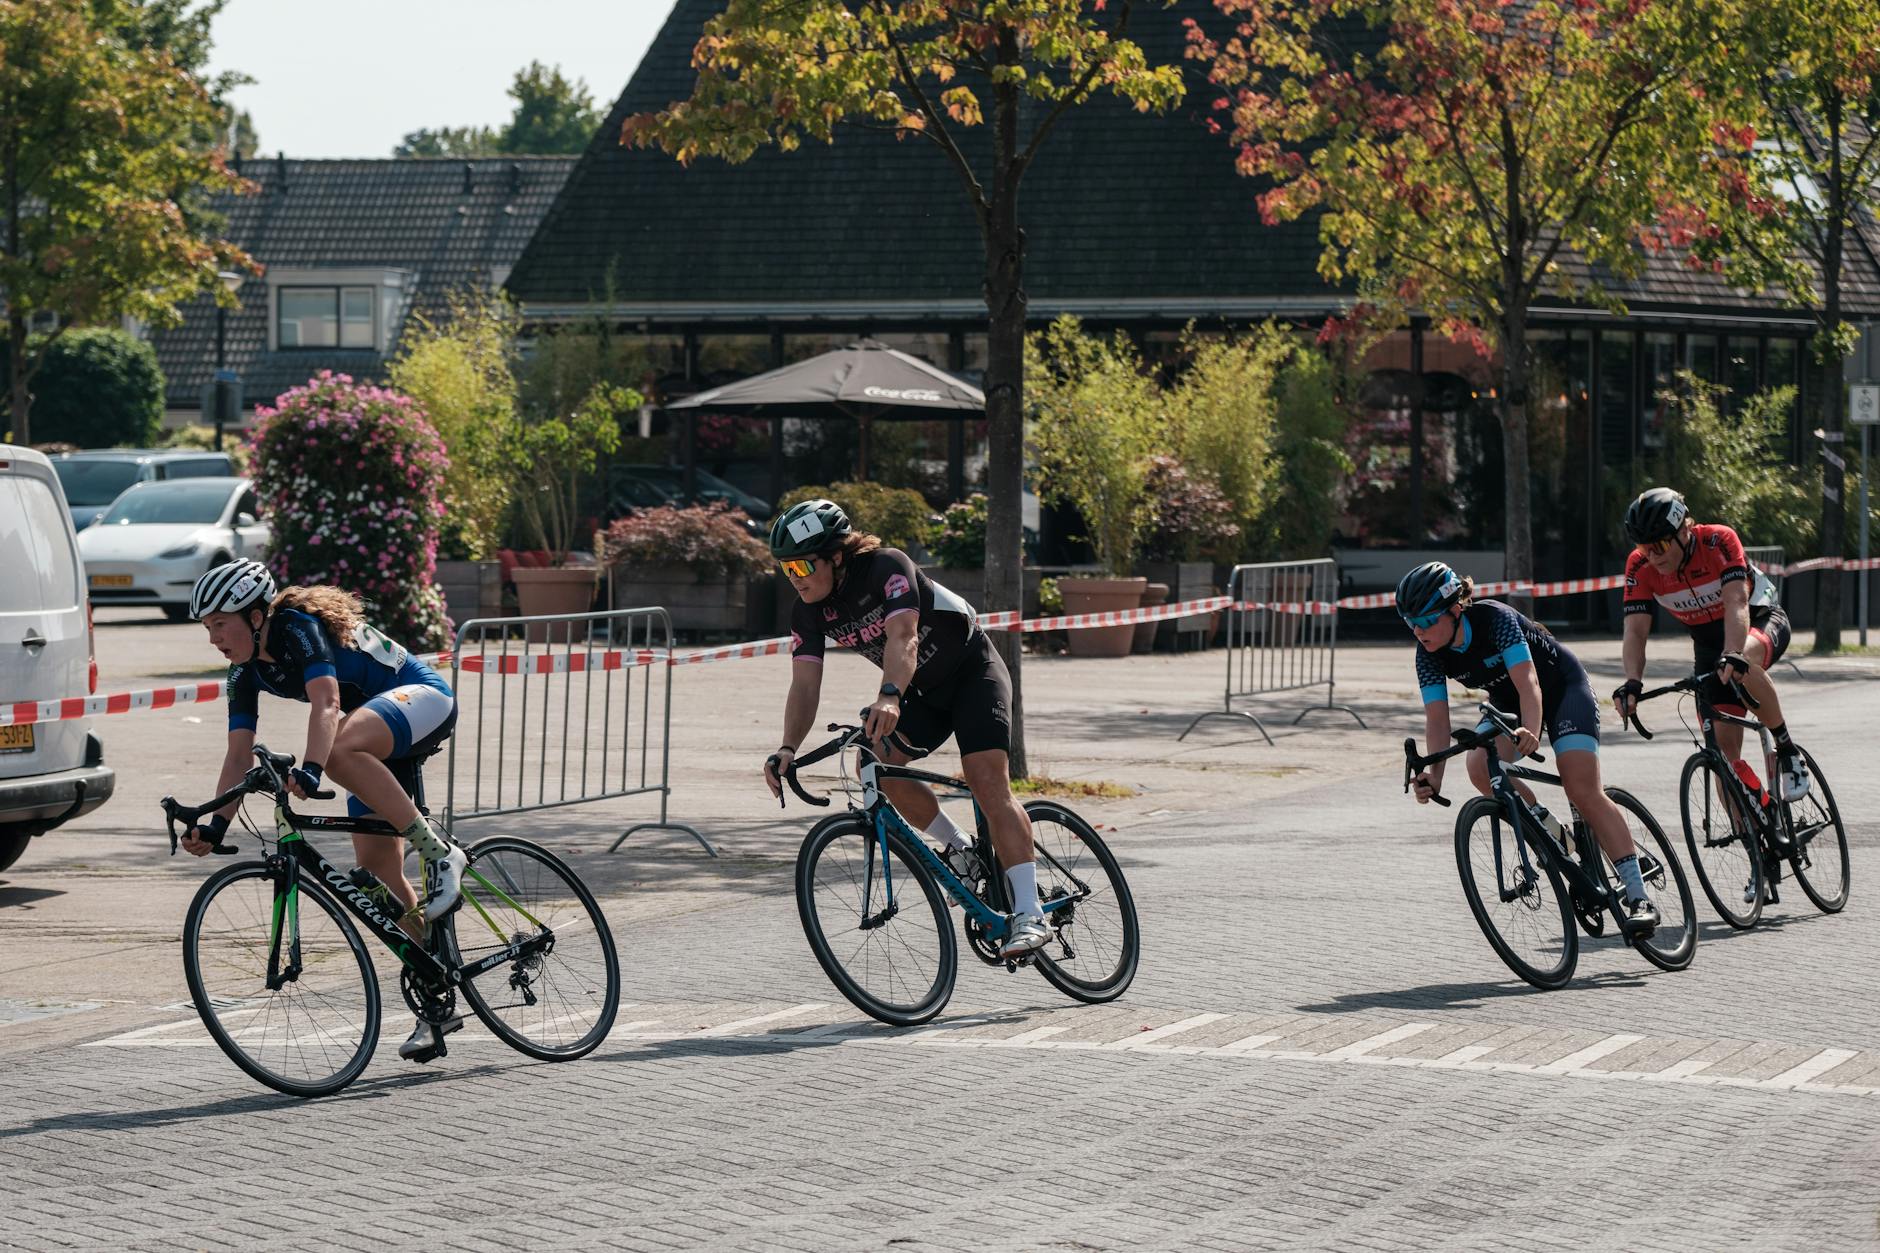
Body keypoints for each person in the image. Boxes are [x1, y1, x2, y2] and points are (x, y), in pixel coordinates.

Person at [179, 559, 468, 1062]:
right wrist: (214, 824)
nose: (213, 638)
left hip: (421, 699)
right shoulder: (242, 673)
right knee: (382, 881)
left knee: (338, 753)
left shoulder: (296, 628)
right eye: (207, 628)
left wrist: (313, 767)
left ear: (253, 615)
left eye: (219, 624)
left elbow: (327, 703)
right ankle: (436, 991)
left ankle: (439, 853)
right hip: (372, 738)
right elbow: (236, 754)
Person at [760, 499, 1050, 957]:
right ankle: (961, 850)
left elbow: (904, 636)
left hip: (972, 673)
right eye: (785, 568)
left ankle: (1031, 914)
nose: (794, 577)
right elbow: (804, 683)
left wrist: (890, 695)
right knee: (876, 766)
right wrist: (787, 747)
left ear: (836, 555)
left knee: (987, 782)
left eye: (801, 564)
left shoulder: (886, 567)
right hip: (923, 693)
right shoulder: (808, 612)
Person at [1399, 561, 1660, 934]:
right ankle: (1552, 833)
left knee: (1581, 788)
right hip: (1509, 705)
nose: (1419, 632)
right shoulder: (1427, 653)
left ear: (1455, 607)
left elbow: (1530, 684)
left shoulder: (1496, 620)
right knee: (1479, 765)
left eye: (1425, 621)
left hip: (1561, 689)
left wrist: (1532, 730)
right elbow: (1437, 720)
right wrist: (1434, 776)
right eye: (1411, 624)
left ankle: (1639, 896)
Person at [1612, 487, 1807, 802]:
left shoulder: (1718, 541)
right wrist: (1633, 681)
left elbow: (1736, 601)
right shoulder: (1640, 566)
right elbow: (1635, 631)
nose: (1653, 555)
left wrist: (1732, 652)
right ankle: (1758, 825)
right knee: (1724, 760)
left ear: (1684, 530)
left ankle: (1786, 749)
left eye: (1660, 544)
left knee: (1743, 660)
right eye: (1645, 547)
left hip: (1756, 619)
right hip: (1707, 645)